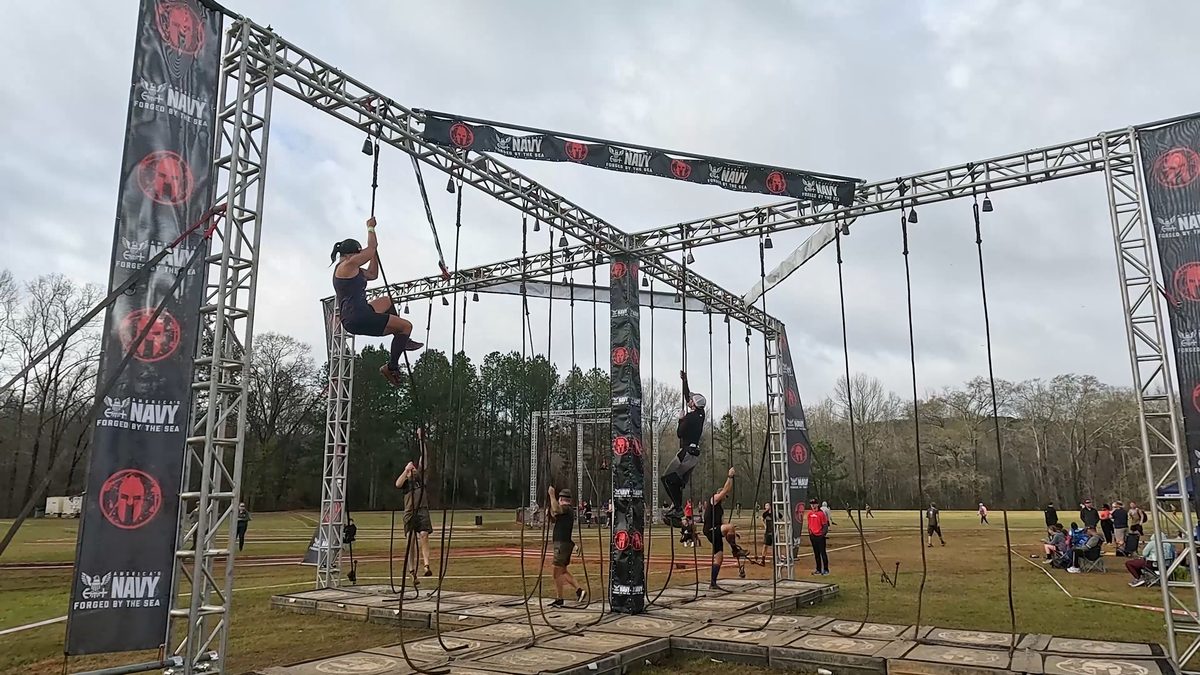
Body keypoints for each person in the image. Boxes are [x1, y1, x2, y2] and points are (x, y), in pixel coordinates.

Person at [331, 218, 423, 386]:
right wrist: (371, 228)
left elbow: (373, 274)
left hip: (358, 313)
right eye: (359, 254)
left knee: (387, 301)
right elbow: (370, 248)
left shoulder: (353, 269)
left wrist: (374, 255)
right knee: (406, 326)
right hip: (359, 317)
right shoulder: (347, 265)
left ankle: (400, 337)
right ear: (352, 253)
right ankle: (391, 367)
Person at [661, 370, 706, 526]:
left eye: (690, 400)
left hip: (686, 453)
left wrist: (680, 420)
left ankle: (677, 508)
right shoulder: (700, 414)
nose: (688, 401)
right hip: (692, 454)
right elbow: (688, 396)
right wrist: (684, 381)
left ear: (693, 404)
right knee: (676, 482)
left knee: (668, 479)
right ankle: (676, 507)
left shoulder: (689, 418)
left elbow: (679, 434)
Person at [395, 428, 434, 578]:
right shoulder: (405, 482)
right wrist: (406, 470)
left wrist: (421, 440)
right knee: (410, 540)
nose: (414, 471)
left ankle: (426, 565)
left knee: (424, 535)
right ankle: (412, 571)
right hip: (409, 512)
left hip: (422, 509)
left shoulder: (421, 477)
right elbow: (397, 484)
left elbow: (424, 457)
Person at [702, 467, 747, 590]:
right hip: (710, 530)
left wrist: (732, 534)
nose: (725, 499)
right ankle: (735, 551)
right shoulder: (714, 499)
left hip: (715, 531)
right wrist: (730, 476)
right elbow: (727, 488)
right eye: (724, 496)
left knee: (719, 558)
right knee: (731, 526)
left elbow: (723, 525)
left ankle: (713, 583)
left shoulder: (720, 509)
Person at [547, 486, 586, 606]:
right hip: (565, 544)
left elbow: (557, 510)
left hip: (562, 545)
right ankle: (579, 590)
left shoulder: (566, 508)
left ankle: (560, 599)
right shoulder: (567, 511)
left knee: (556, 572)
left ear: (562, 499)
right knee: (563, 571)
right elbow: (555, 515)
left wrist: (551, 495)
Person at [807, 497, 830, 575]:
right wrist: (810, 533)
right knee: (816, 553)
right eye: (811, 504)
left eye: (814, 504)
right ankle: (818, 569)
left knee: (822, 553)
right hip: (813, 535)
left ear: (817, 504)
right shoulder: (809, 514)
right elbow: (809, 524)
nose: (813, 506)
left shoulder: (821, 514)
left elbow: (825, 525)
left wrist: (822, 534)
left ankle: (826, 569)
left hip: (820, 536)